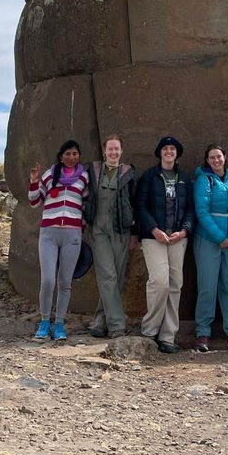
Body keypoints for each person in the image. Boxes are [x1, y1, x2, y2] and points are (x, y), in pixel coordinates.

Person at [135, 136, 195, 354]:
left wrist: (185, 230)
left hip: (178, 237)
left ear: (176, 153)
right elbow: (140, 206)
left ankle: (168, 335)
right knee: (159, 281)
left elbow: (190, 208)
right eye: (165, 149)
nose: (169, 152)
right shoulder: (149, 176)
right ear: (159, 152)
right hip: (153, 237)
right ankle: (150, 329)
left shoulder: (184, 178)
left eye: (172, 149)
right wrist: (154, 229)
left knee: (175, 284)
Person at [28, 139, 89, 342]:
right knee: (47, 280)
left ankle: (60, 324)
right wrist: (34, 181)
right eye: (67, 154)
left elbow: (87, 206)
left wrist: (81, 227)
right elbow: (35, 202)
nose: (71, 158)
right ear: (61, 156)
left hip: (72, 235)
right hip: (49, 234)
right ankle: (45, 321)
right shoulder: (49, 174)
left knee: (65, 282)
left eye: (75, 154)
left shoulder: (84, 178)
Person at [192, 145, 228, 352]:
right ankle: (202, 333)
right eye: (212, 157)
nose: (216, 160)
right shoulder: (203, 180)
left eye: (219, 156)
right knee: (207, 286)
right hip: (208, 239)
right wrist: (219, 237)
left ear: (225, 157)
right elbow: (202, 212)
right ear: (207, 160)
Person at [83, 135, 137, 339]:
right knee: (107, 276)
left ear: (121, 151)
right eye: (110, 149)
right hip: (98, 229)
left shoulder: (129, 173)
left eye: (117, 149)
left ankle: (99, 320)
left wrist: (134, 233)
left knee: (117, 278)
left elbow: (135, 203)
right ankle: (117, 326)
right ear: (104, 151)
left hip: (121, 230)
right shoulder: (93, 170)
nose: (113, 153)